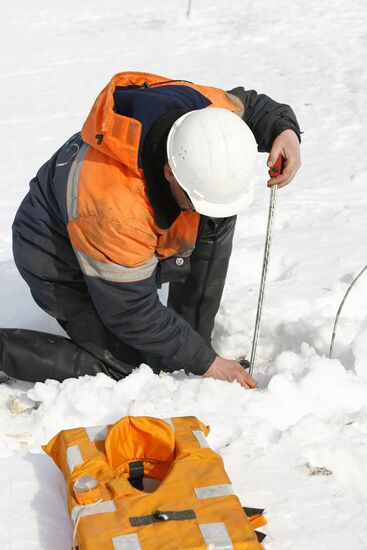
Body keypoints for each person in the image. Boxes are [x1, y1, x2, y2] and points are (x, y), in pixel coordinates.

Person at [2, 71, 301, 388]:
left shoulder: (205, 118)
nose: (200, 212)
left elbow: (251, 106)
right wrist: (204, 362)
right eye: (195, 201)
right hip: (55, 253)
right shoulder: (113, 206)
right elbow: (131, 311)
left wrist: (285, 130)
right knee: (127, 363)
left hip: (116, 225)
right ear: (171, 172)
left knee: (215, 217)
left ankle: (190, 346)